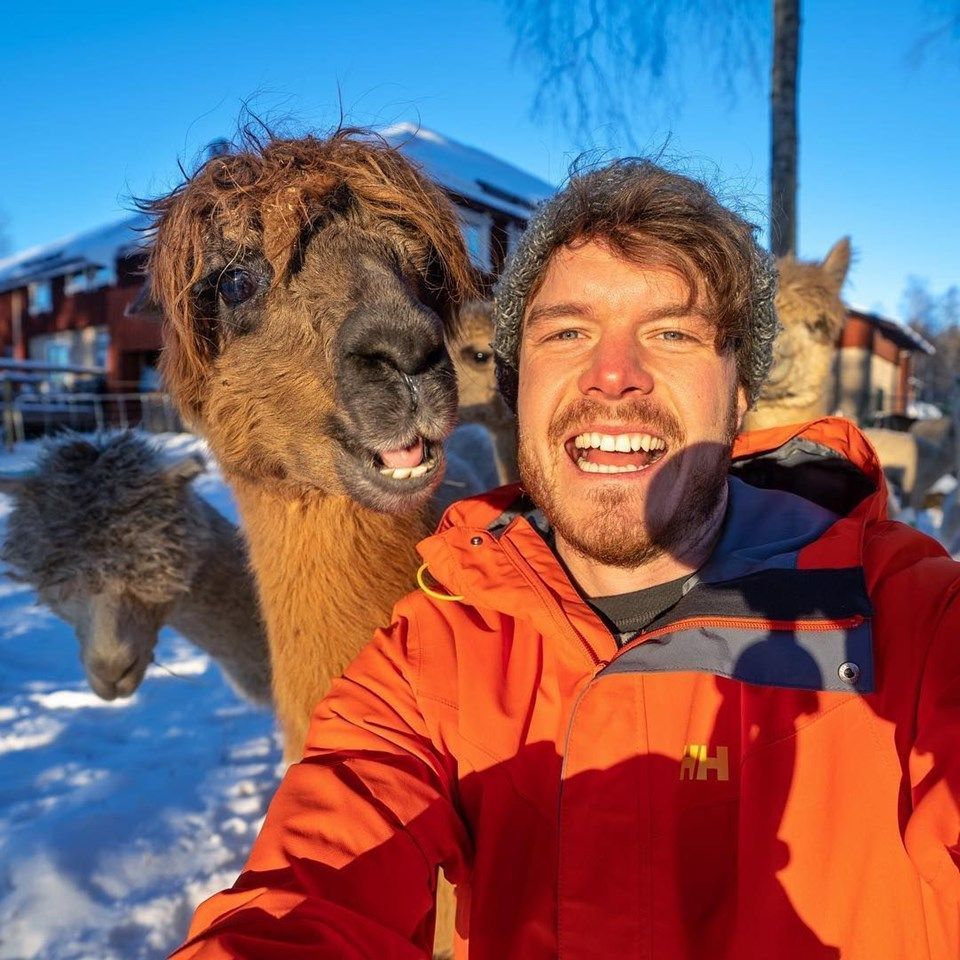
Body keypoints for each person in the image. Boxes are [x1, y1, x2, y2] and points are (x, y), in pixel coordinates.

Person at [170, 160, 960, 960]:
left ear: (742, 389)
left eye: (672, 332)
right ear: (519, 380)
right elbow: (308, 891)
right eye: (568, 332)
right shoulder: (426, 658)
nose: (614, 377)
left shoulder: (912, 622)